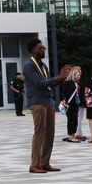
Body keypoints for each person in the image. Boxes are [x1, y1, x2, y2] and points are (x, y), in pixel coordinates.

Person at [22, 38, 72, 174]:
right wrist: (57, 78)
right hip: (37, 102)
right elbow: (39, 84)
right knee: (40, 133)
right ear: (33, 50)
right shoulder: (28, 66)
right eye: (40, 48)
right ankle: (34, 165)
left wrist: (61, 78)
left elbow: (49, 84)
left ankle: (44, 163)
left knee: (50, 133)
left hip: (48, 101)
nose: (43, 49)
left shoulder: (44, 66)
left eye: (44, 47)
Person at [60, 66, 82, 143]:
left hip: (75, 104)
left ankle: (73, 135)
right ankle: (70, 137)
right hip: (69, 104)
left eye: (79, 75)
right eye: (78, 75)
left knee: (75, 120)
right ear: (73, 74)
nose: (79, 76)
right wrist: (63, 99)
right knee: (71, 120)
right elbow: (63, 92)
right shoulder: (67, 82)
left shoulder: (76, 83)